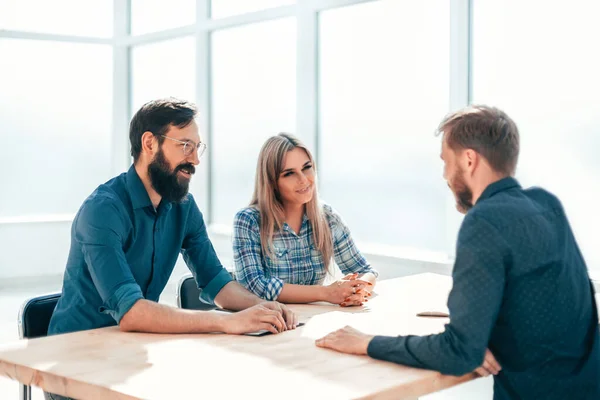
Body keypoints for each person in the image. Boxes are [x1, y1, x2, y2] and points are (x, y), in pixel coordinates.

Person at [315, 105, 600, 399]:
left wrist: (366, 343)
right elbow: (561, 304)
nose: (445, 175)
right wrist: (486, 335)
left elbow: (459, 353)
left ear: (468, 160)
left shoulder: (484, 221)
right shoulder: (546, 204)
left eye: (446, 162)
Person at [45, 99, 297, 400]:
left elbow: (216, 281)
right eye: (185, 146)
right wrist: (228, 322)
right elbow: (132, 313)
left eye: (197, 147)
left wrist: (261, 308)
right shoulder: (102, 211)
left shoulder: (183, 206)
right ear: (149, 143)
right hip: (76, 367)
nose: (195, 160)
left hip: (132, 352)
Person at [233, 133, 377, 306]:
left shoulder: (327, 217)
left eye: (306, 167)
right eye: (289, 174)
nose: (303, 180)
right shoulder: (249, 220)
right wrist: (325, 293)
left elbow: (364, 271)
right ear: (272, 182)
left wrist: (359, 290)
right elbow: (255, 286)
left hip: (311, 320)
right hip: (268, 323)